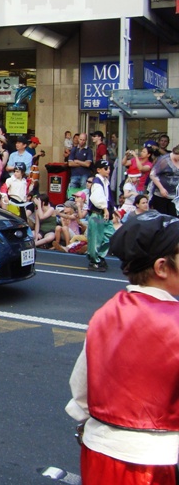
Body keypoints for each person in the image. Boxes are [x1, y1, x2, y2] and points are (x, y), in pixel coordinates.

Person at [66, 211, 179, 484]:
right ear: (162, 267)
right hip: (155, 457)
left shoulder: (105, 313)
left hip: (100, 449)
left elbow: (80, 389)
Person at [86, 160, 115, 272]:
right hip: (97, 214)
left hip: (104, 214)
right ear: (98, 170)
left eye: (108, 168)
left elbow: (108, 197)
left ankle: (100, 256)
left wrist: (113, 209)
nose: (108, 170)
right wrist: (105, 208)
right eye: (105, 168)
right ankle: (94, 260)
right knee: (96, 238)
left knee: (109, 234)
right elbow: (97, 198)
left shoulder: (105, 182)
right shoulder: (97, 182)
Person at [148, 144, 179, 217]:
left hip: (175, 195)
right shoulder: (164, 160)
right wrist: (161, 188)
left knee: (174, 218)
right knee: (162, 217)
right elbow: (153, 174)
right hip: (161, 194)